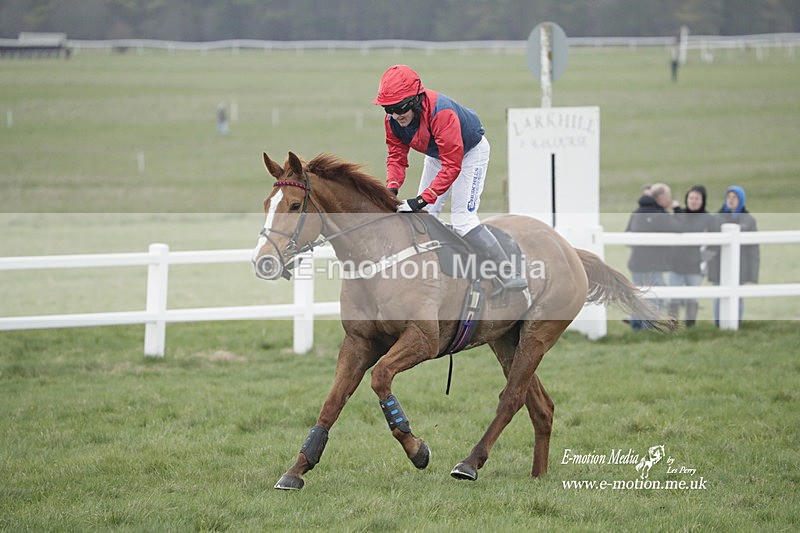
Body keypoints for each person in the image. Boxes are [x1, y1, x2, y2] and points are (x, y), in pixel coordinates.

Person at [372, 64, 526, 294]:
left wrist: (422, 199)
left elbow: (452, 166)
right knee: (424, 218)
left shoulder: (441, 113)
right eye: (388, 108)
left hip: (469, 154)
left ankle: (508, 272)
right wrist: (391, 189)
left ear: (415, 100)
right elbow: (396, 156)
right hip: (437, 155)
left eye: (399, 107)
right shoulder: (392, 121)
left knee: (462, 219)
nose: (395, 115)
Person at [625, 183, 681, 329]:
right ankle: (648, 328)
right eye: (669, 197)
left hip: (636, 262)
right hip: (651, 264)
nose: (670, 199)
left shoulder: (638, 212)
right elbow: (678, 227)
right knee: (656, 296)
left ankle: (637, 326)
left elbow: (628, 234)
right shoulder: (658, 215)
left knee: (640, 295)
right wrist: (676, 209)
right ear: (661, 198)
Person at [707, 186, 759, 326]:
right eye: (729, 197)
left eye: (734, 197)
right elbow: (709, 245)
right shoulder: (716, 218)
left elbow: (753, 248)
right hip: (718, 265)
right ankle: (719, 323)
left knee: (738, 296)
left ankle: (736, 323)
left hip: (740, 265)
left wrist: (753, 273)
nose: (731, 200)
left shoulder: (748, 220)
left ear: (740, 200)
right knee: (719, 295)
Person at [667, 185, 714, 326]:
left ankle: (690, 327)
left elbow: (714, 243)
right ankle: (672, 326)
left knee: (691, 299)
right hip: (676, 264)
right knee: (673, 298)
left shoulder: (708, 219)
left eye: (697, 198)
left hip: (695, 266)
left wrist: (703, 259)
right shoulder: (679, 214)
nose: (693, 201)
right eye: (691, 198)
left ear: (703, 200)